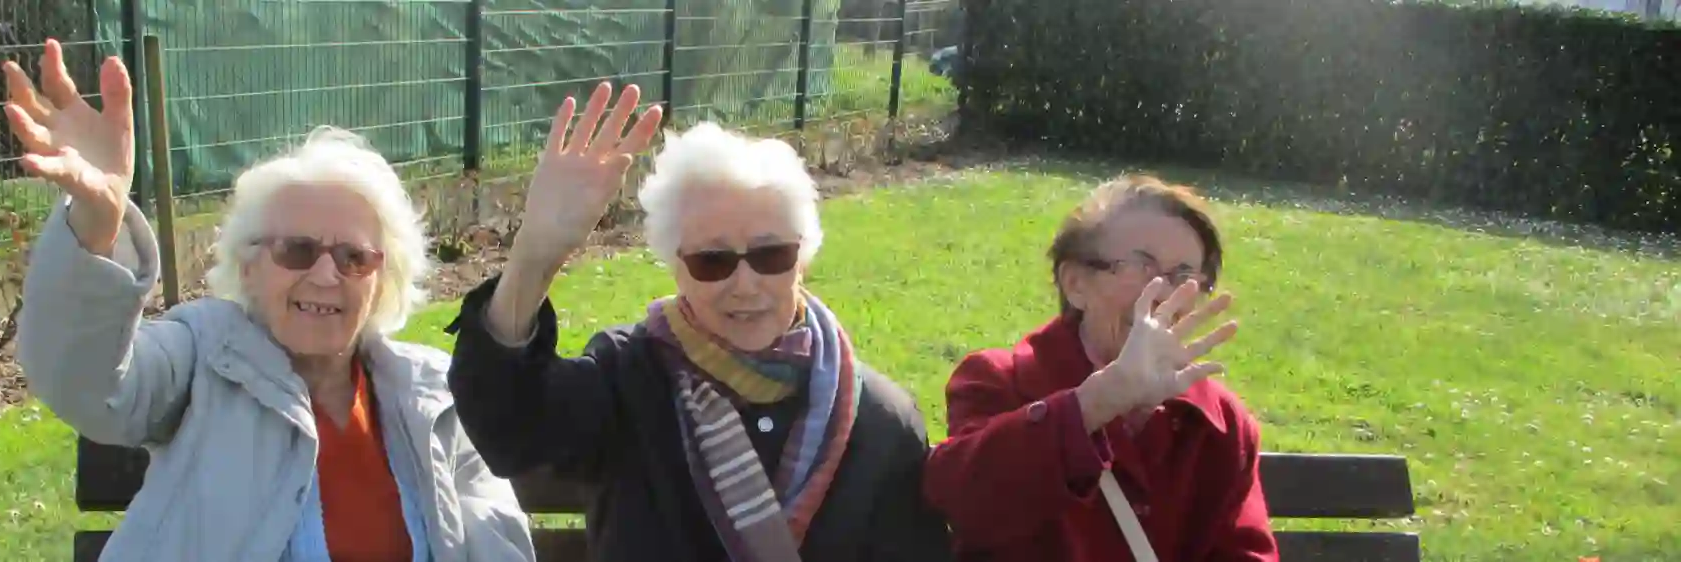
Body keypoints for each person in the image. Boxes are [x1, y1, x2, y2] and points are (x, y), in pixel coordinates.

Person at [5, 39, 535, 561]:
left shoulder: (434, 398)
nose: (327, 275)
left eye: (355, 257)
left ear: (382, 277)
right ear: (248, 266)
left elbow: (497, 540)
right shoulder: (200, 357)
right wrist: (96, 223)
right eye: (297, 251)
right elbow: (90, 386)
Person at [441, 83, 955, 562]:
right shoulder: (625, 380)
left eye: (771, 254)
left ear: (804, 258)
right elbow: (508, 425)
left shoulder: (880, 422)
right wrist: (535, 254)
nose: (745, 284)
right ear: (674, 265)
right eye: (713, 261)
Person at [921, 175, 1279, 561]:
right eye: (1142, 266)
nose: (1161, 294)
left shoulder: (1222, 424)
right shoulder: (998, 383)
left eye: (1183, 275)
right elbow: (962, 504)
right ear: (1076, 284)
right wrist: (1098, 401)